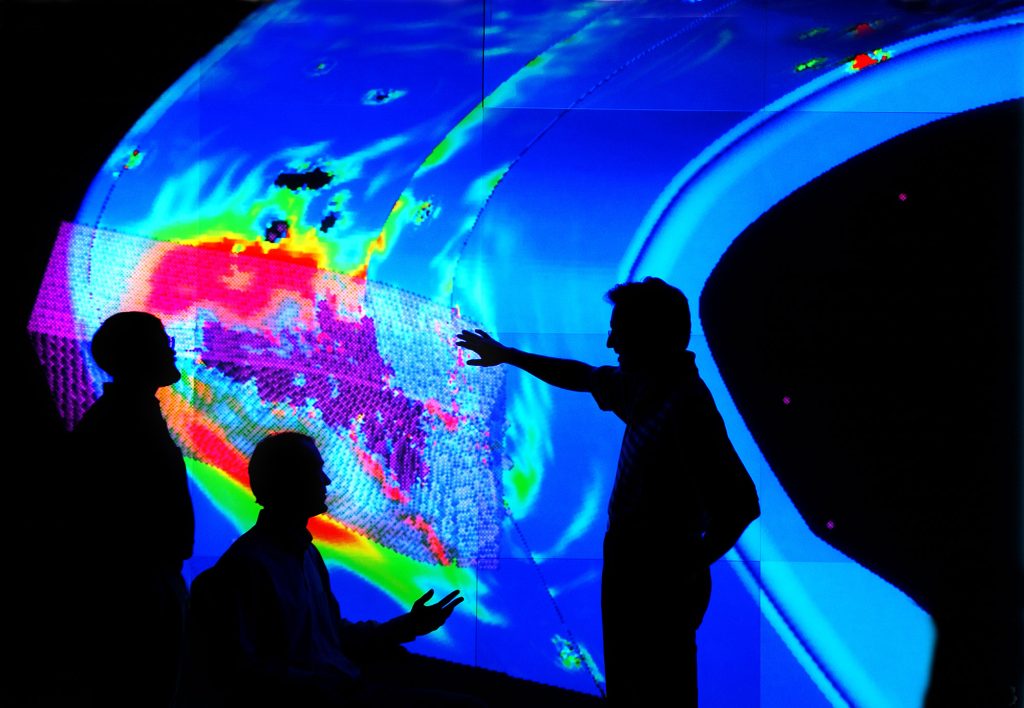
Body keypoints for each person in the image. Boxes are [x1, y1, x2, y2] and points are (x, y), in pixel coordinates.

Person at [455, 276, 760, 706]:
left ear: (655, 336)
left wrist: (682, 567)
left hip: (656, 577)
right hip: (630, 565)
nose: (611, 343)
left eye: (622, 331)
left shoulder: (686, 406)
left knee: (660, 689)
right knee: (631, 686)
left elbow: (741, 503)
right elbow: (581, 376)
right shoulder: (645, 385)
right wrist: (508, 356)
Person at [184, 431, 484, 707]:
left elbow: (331, 635)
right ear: (287, 481)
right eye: (314, 470)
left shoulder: (307, 555)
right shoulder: (244, 569)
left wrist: (408, 626)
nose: (325, 480)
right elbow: (239, 671)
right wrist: (315, 684)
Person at [69, 311, 194, 707]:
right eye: (161, 341)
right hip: (138, 596)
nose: (171, 348)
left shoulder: (124, 417)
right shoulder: (120, 424)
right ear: (139, 354)